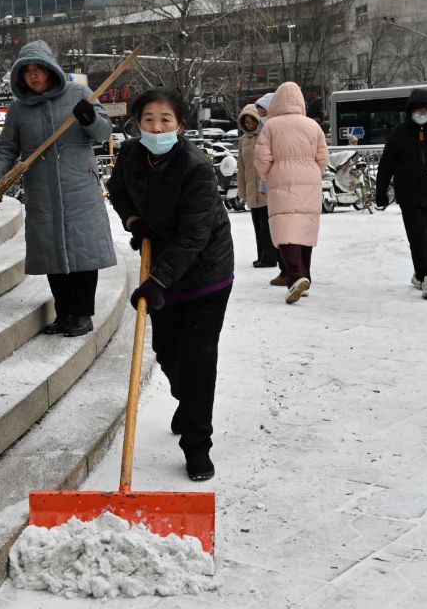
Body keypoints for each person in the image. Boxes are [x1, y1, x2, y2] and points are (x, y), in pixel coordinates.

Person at [106, 87, 234, 482]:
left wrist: (156, 281)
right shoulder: (129, 155)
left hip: (205, 273)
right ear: (137, 123)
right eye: (148, 119)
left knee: (197, 361)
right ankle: (188, 400)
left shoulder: (195, 167)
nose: (156, 126)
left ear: (180, 126)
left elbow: (195, 236)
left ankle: (197, 444)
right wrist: (133, 222)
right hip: (161, 263)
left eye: (165, 120)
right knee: (165, 351)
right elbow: (118, 191)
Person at [0, 40, 116, 337]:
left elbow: (103, 132)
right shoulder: (19, 109)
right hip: (41, 190)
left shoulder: (80, 94)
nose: (33, 75)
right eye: (27, 71)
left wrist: (90, 118)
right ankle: (64, 313)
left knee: (82, 252)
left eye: (38, 69)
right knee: (51, 254)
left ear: (50, 69)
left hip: (79, 187)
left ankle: (82, 314)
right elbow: (7, 148)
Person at [375, 88, 427, 300]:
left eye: (426, 109)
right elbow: (386, 165)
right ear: (411, 111)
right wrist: (381, 192)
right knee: (418, 237)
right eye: (418, 109)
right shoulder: (398, 134)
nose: (422, 113)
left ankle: (419, 273)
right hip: (409, 195)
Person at [253, 81, 327, 304]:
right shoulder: (312, 126)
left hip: (281, 180)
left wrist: (271, 175)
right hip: (310, 180)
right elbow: (323, 158)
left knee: (285, 231)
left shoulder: (271, 126)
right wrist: (312, 173)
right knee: (305, 229)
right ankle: (306, 275)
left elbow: (261, 159)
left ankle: (295, 275)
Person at [236, 103, 277, 269]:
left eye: (251, 121)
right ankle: (261, 255)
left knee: (267, 226)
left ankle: (270, 258)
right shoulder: (243, 141)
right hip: (252, 189)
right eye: (246, 122)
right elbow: (242, 166)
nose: (249, 125)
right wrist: (242, 190)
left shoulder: (266, 136)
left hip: (265, 188)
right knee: (257, 225)